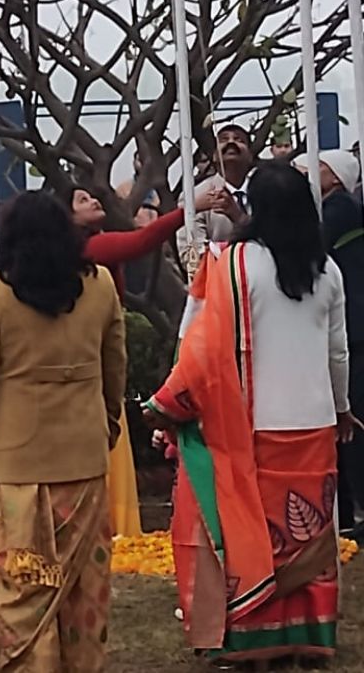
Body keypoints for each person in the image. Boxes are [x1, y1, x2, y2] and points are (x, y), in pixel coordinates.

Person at [145, 162, 354, 666]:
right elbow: (337, 352)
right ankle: (310, 638)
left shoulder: (232, 263)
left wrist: (169, 401)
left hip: (251, 424)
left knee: (253, 535)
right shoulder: (327, 270)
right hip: (314, 422)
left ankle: (253, 642)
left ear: (255, 208)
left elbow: (199, 344)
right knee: (309, 534)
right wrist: (343, 408)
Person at [0, 191, 126, 673]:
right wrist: (108, 425)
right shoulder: (100, 286)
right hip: (83, 459)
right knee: (82, 584)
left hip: (16, 463)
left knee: (19, 578)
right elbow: (115, 367)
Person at [69, 180, 217, 536]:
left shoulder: (92, 243)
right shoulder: (87, 248)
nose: (93, 199)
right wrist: (189, 209)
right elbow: (141, 241)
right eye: (82, 199)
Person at [318, 150, 364, 535]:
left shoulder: (339, 209)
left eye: (315, 168)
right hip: (349, 328)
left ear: (335, 176)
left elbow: (312, 246)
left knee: (352, 424)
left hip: (353, 332)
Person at [176, 123, 254, 283]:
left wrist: (239, 217)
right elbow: (191, 257)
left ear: (250, 156)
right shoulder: (195, 197)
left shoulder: (267, 192)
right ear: (214, 156)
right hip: (216, 286)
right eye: (223, 139)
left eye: (239, 140)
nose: (231, 142)